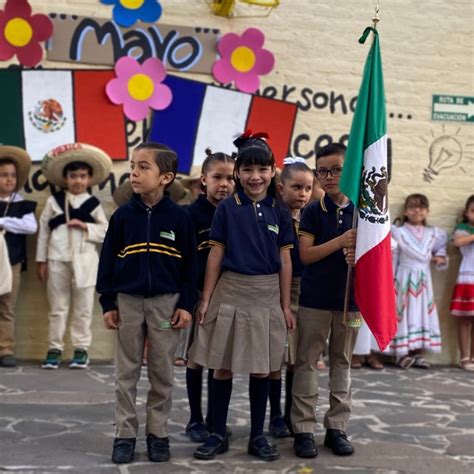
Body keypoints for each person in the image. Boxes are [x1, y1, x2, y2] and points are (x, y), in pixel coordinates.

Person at [188, 131, 295, 462]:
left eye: (262, 170)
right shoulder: (227, 210)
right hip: (231, 292)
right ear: (238, 173)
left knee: (262, 369)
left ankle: (257, 435)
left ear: (272, 171)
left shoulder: (279, 210)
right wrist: (206, 298)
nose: (255, 177)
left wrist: (284, 304)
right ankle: (217, 432)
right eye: (247, 170)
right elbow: (216, 254)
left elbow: (286, 260)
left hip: (266, 296)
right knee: (223, 366)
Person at [96, 142, 197, 464]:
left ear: (165, 177)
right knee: (125, 372)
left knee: (161, 371)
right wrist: (108, 301)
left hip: (166, 304)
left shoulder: (180, 219)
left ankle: (158, 434)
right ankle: (124, 434)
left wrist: (186, 304)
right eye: (133, 166)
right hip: (127, 301)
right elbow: (108, 261)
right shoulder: (123, 217)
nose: (134, 173)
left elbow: (191, 267)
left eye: (143, 167)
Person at [291, 143, 359, 458]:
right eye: (323, 171)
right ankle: (303, 429)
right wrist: (340, 242)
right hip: (316, 299)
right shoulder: (313, 211)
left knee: (342, 361)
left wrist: (358, 251)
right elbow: (305, 254)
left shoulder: (364, 211)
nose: (329, 177)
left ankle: (337, 428)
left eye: (336, 170)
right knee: (306, 362)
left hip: (351, 300)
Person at [37, 143, 111, 370]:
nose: (77, 181)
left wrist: (85, 226)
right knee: (58, 307)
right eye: (73, 176)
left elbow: (106, 231)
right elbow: (44, 231)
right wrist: (41, 260)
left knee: (83, 307)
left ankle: (81, 349)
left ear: (89, 179)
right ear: (66, 178)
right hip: (57, 259)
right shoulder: (54, 202)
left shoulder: (93, 204)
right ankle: (54, 349)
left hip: (86, 261)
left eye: (82, 176)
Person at [185, 148, 235, 442]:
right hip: (195, 295)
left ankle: (217, 419)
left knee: (221, 360)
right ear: (204, 180)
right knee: (196, 358)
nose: (224, 184)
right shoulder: (190, 216)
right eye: (217, 177)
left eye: (230, 178)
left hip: (229, 296)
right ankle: (195, 419)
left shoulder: (237, 214)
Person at [268, 156, 313, 438]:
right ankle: (274, 415)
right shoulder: (273, 217)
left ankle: (291, 414)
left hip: (305, 292)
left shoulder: (311, 218)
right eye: (296, 187)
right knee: (275, 357)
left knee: (297, 357)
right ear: (281, 188)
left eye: (308, 189)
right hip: (276, 290)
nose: (303, 194)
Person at [390, 193, 448, 369]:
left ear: (427, 211)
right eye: (412, 207)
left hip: (423, 280)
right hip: (404, 277)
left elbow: (441, 250)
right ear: (406, 211)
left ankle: (417, 353)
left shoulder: (434, 234)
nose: (417, 210)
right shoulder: (398, 232)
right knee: (403, 313)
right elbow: (393, 257)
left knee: (422, 313)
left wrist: (439, 257)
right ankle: (401, 353)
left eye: (421, 207)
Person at [0, 146, 37, 367]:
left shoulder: (21, 204)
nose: (9, 180)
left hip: (11, 262)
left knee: (7, 305)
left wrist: (3, 222)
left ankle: (5, 348)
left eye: (12, 176)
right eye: (4, 175)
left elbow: (30, 226)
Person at [450, 195, 474, 370]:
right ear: (467, 213)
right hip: (468, 277)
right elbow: (458, 242)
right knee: (465, 320)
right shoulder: (463, 229)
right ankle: (464, 357)